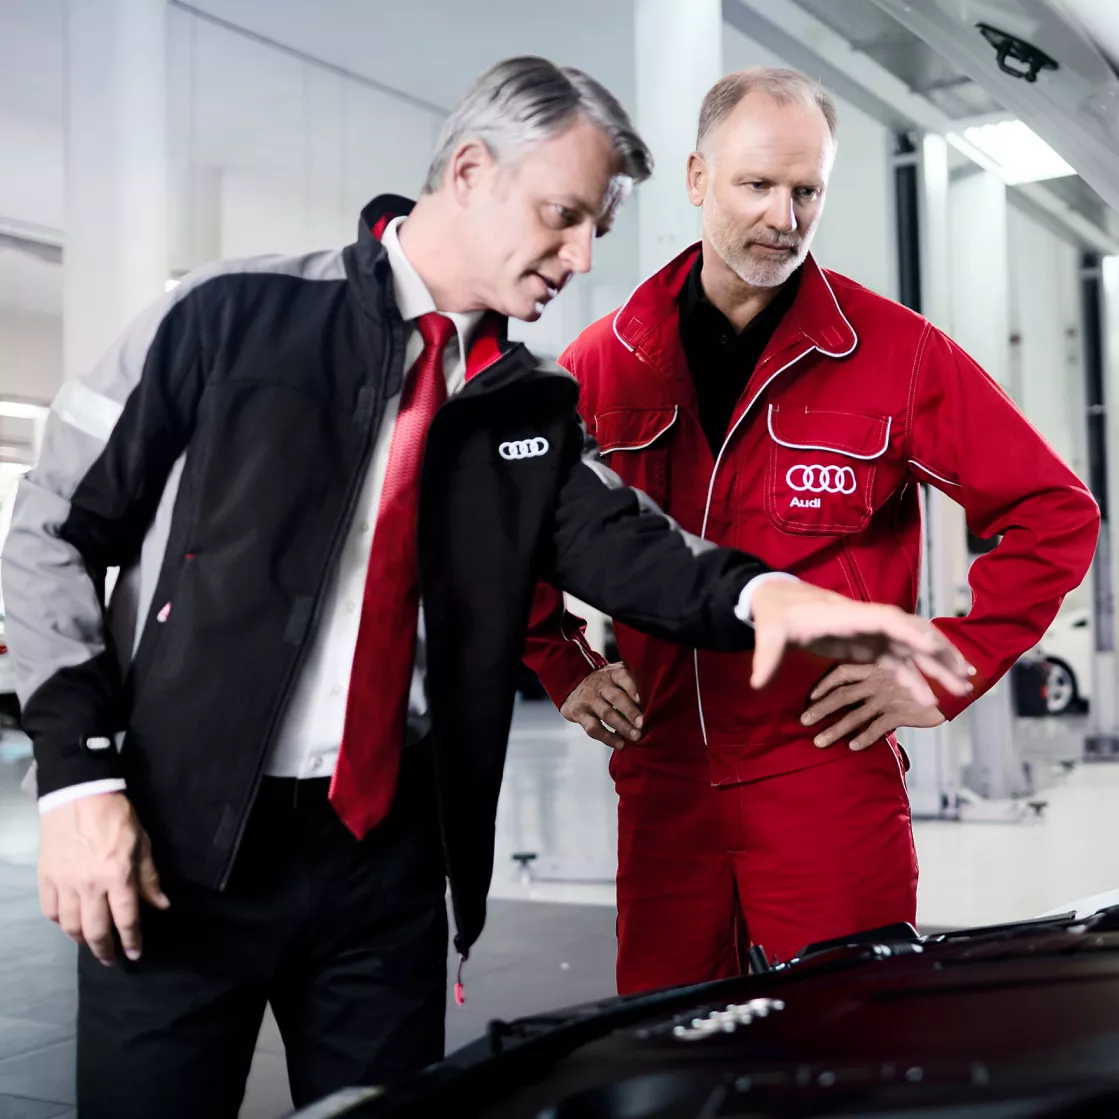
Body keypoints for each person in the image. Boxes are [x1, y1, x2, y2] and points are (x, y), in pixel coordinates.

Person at [2, 57, 969, 1118]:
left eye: (596, 225)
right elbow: (48, 528)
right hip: (176, 853)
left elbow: (624, 543)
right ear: (470, 170)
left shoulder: (532, 401)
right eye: (563, 216)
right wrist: (78, 783)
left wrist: (764, 597)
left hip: (385, 870)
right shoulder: (224, 316)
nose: (582, 255)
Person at [524, 67, 1100, 994]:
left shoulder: (896, 353)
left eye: (806, 191)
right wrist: (562, 663)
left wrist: (946, 664)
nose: (783, 219)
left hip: (823, 771)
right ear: (697, 177)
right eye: (757, 185)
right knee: (670, 1055)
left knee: (853, 1038)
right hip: (663, 783)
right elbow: (517, 522)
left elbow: (1053, 512)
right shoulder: (607, 362)